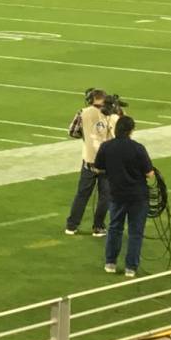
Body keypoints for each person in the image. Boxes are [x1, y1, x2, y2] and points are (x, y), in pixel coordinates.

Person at [94, 113, 156, 279]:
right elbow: (150, 174)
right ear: (131, 130)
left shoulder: (106, 147)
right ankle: (131, 267)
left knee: (115, 228)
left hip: (117, 194)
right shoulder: (138, 148)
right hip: (137, 196)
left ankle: (110, 263)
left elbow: (98, 168)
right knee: (135, 232)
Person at [63, 89, 115, 237]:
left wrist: (88, 135)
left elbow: (72, 132)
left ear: (90, 99)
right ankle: (98, 227)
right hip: (108, 162)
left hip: (89, 160)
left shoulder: (82, 112)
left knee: (82, 194)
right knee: (105, 195)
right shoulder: (113, 114)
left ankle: (71, 226)